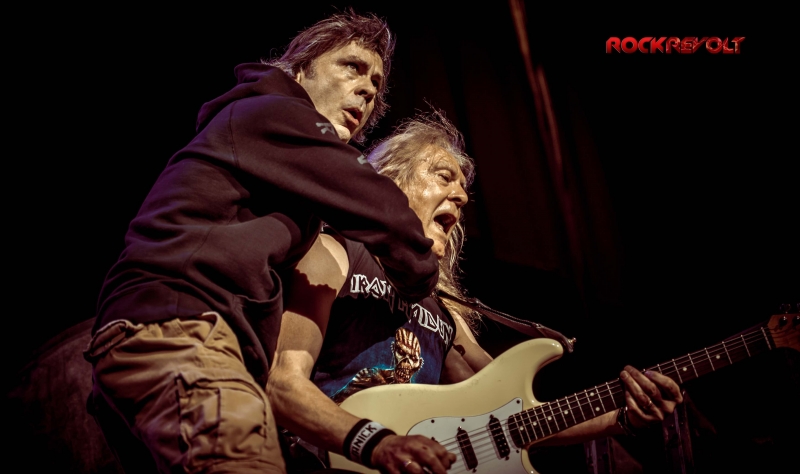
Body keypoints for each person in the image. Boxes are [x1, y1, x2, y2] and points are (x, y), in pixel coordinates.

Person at [83, 10, 441, 474]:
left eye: (376, 84)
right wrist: (420, 276)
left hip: (165, 342)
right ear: (300, 70)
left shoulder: (275, 155)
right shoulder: (274, 111)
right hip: (181, 331)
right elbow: (382, 208)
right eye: (352, 67)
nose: (368, 90)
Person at [266, 111, 684, 473]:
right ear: (390, 182)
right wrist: (376, 443)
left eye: (463, 188)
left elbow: (511, 415)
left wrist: (621, 417)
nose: (462, 196)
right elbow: (283, 383)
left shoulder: (442, 311)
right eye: (443, 176)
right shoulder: (335, 252)